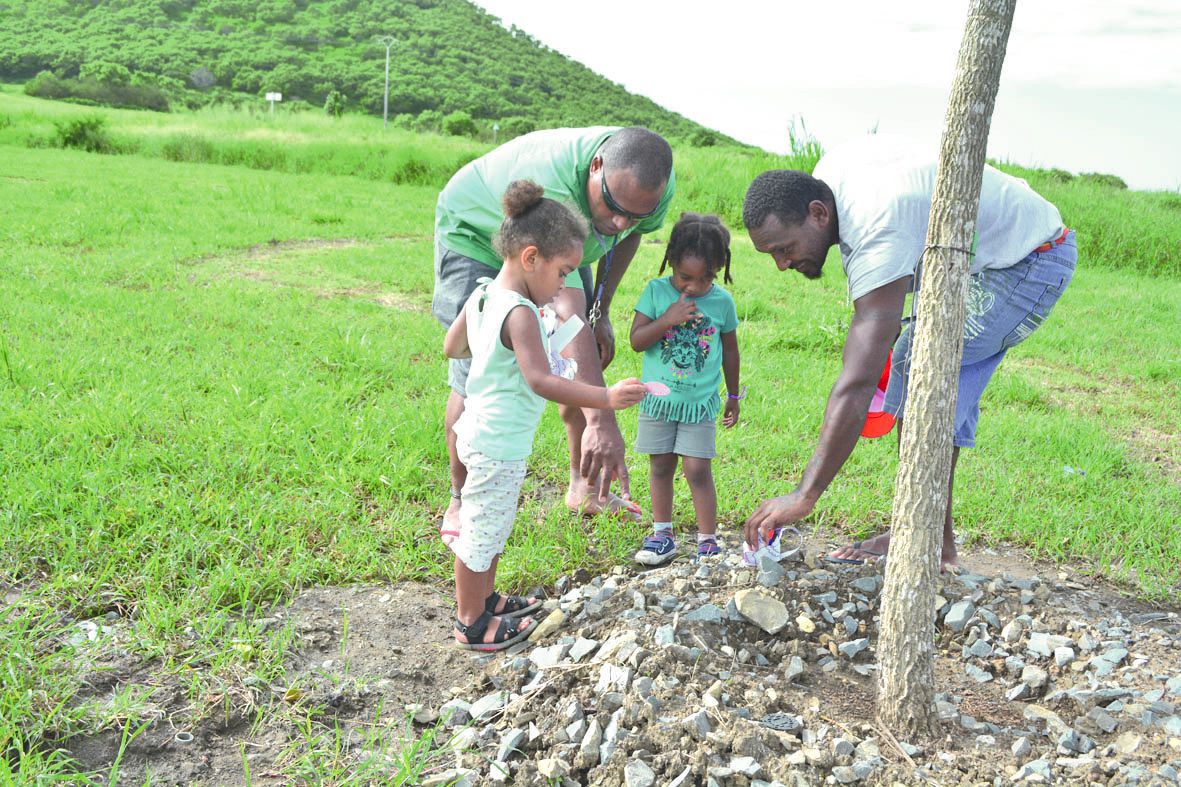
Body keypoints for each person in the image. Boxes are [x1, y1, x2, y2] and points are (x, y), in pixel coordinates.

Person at [741, 134, 1076, 568]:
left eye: (785, 249)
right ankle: (931, 536)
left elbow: (859, 379)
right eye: (772, 254)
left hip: (1029, 261)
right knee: (931, 373)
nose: (782, 264)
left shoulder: (879, 223)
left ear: (818, 213)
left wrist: (807, 494)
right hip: (981, 258)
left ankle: (926, 536)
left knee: (919, 366)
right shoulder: (827, 180)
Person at [433, 126, 675, 534]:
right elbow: (565, 314)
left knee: (578, 354)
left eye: (637, 214)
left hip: (563, 234)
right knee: (473, 379)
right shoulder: (555, 187)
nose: (620, 222)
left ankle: (583, 488)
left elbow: (628, 236)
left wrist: (602, 310)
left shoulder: (647, 190)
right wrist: (602, 418)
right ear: (596, 168)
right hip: (474, 230)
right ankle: (461, 500)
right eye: (614, 205)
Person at [443, 180, 647, 650]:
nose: (563, 286)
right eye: (563, 273)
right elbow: (540, 380)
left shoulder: (482, 295)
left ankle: (487, 599)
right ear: (530, 258)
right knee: (481, 531)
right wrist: (605, 398)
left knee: (490, 523)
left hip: (477, 431)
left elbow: (452, 346)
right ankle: (471, 622)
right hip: (498, 442)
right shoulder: (520, 313)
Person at [629, 213, 742, 565]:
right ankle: (662, 533)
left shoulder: (722, 302)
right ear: (672, 263)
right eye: (685, 277)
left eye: (706, 277)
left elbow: (731, 351)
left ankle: (708, 540)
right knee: (661, 465)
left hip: (698, 403)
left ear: (719, 270)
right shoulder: (656, 292)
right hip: (659, 402)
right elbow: (636, 340)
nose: (694, 286)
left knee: (697, 468)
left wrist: (734, 396)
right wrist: (668, 319)